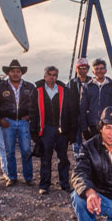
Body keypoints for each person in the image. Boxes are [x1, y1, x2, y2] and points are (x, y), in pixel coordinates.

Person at [30, 66, 77, 195]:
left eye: (54, 75)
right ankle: (44, 185)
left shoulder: (64, 91)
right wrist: (34, 132)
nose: (52, 77)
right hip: (45, 130)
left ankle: (65, 184)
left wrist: (72, 132)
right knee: (46, 159)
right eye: (49, 74)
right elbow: (33, 113)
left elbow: (72, 112)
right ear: (44, 76)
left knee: (63, 159)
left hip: (61, 130)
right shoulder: (37, 92)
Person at [0, 59, 36, 186]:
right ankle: (12, 177)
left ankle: (28, 177)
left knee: (26, 150)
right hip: (7, 123)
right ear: (8, 73)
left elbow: (35, 106)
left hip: (23, 122)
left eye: (18, 71)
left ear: (22, 73)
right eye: (12, 71)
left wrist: (30, 116)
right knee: (9, 151)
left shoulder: (29, 87)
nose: (15, 74)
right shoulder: (0, 87)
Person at [80, 58, 112, 140]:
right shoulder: (86, 87)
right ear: (93, 72)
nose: (99, 71)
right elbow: (82, 109)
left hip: (109, 125)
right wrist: (84, 129)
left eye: (101, 68)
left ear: (105, 70)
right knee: (94, 151)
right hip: (92, 125)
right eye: (96, 69)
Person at [68, 58, 92, 158]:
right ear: (77, 69)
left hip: (89, 116)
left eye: (84, 68)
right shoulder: (71, 84)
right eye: (80, 68)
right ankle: (78, 161)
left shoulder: (92, 82)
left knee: (90, 139)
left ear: (88, 69)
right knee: (76, 140)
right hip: (75, 116)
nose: (82, 70)